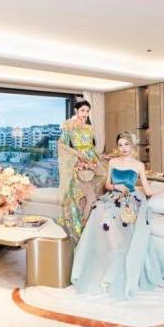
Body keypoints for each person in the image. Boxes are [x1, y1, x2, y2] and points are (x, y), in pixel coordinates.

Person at [71, 131, 164, 299]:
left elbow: (148, 191)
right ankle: (106, 261)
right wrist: (116, 187)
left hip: (130, 200)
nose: (123, 148)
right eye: (120, 145)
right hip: (113, 197)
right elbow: (107, 185)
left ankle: (120, 264)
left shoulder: (139, 165)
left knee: (120, 221)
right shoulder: (113, 162)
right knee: (99, 210)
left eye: (126, 144)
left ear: (132, 146)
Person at [57, 100, 108, 243]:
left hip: (90, 162)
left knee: (88, 196)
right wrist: (77, 153)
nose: (85, 113)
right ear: (76, 110)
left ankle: (84, 227)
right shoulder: (69, 125)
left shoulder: (89, 128)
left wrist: (101, 156)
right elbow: (61, 144)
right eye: (82, 110)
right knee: (82, 196)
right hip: (78, 162)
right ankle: (81, 227)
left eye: (87, 111)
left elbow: (91, 148)